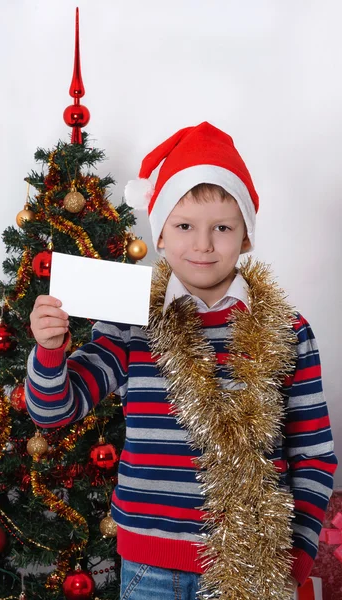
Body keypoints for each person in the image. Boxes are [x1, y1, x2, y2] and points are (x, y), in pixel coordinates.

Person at [25, 122, 337, 600]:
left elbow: (313, 453)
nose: (204, 244)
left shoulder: (288, 330)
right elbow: (54, 411)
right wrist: (50, 350)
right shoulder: (132, 322)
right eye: (185, 226)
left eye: (223, 228)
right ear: (161, 236)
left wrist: (295, 554)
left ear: (246, 237)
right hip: (149, 567)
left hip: (251, 564)